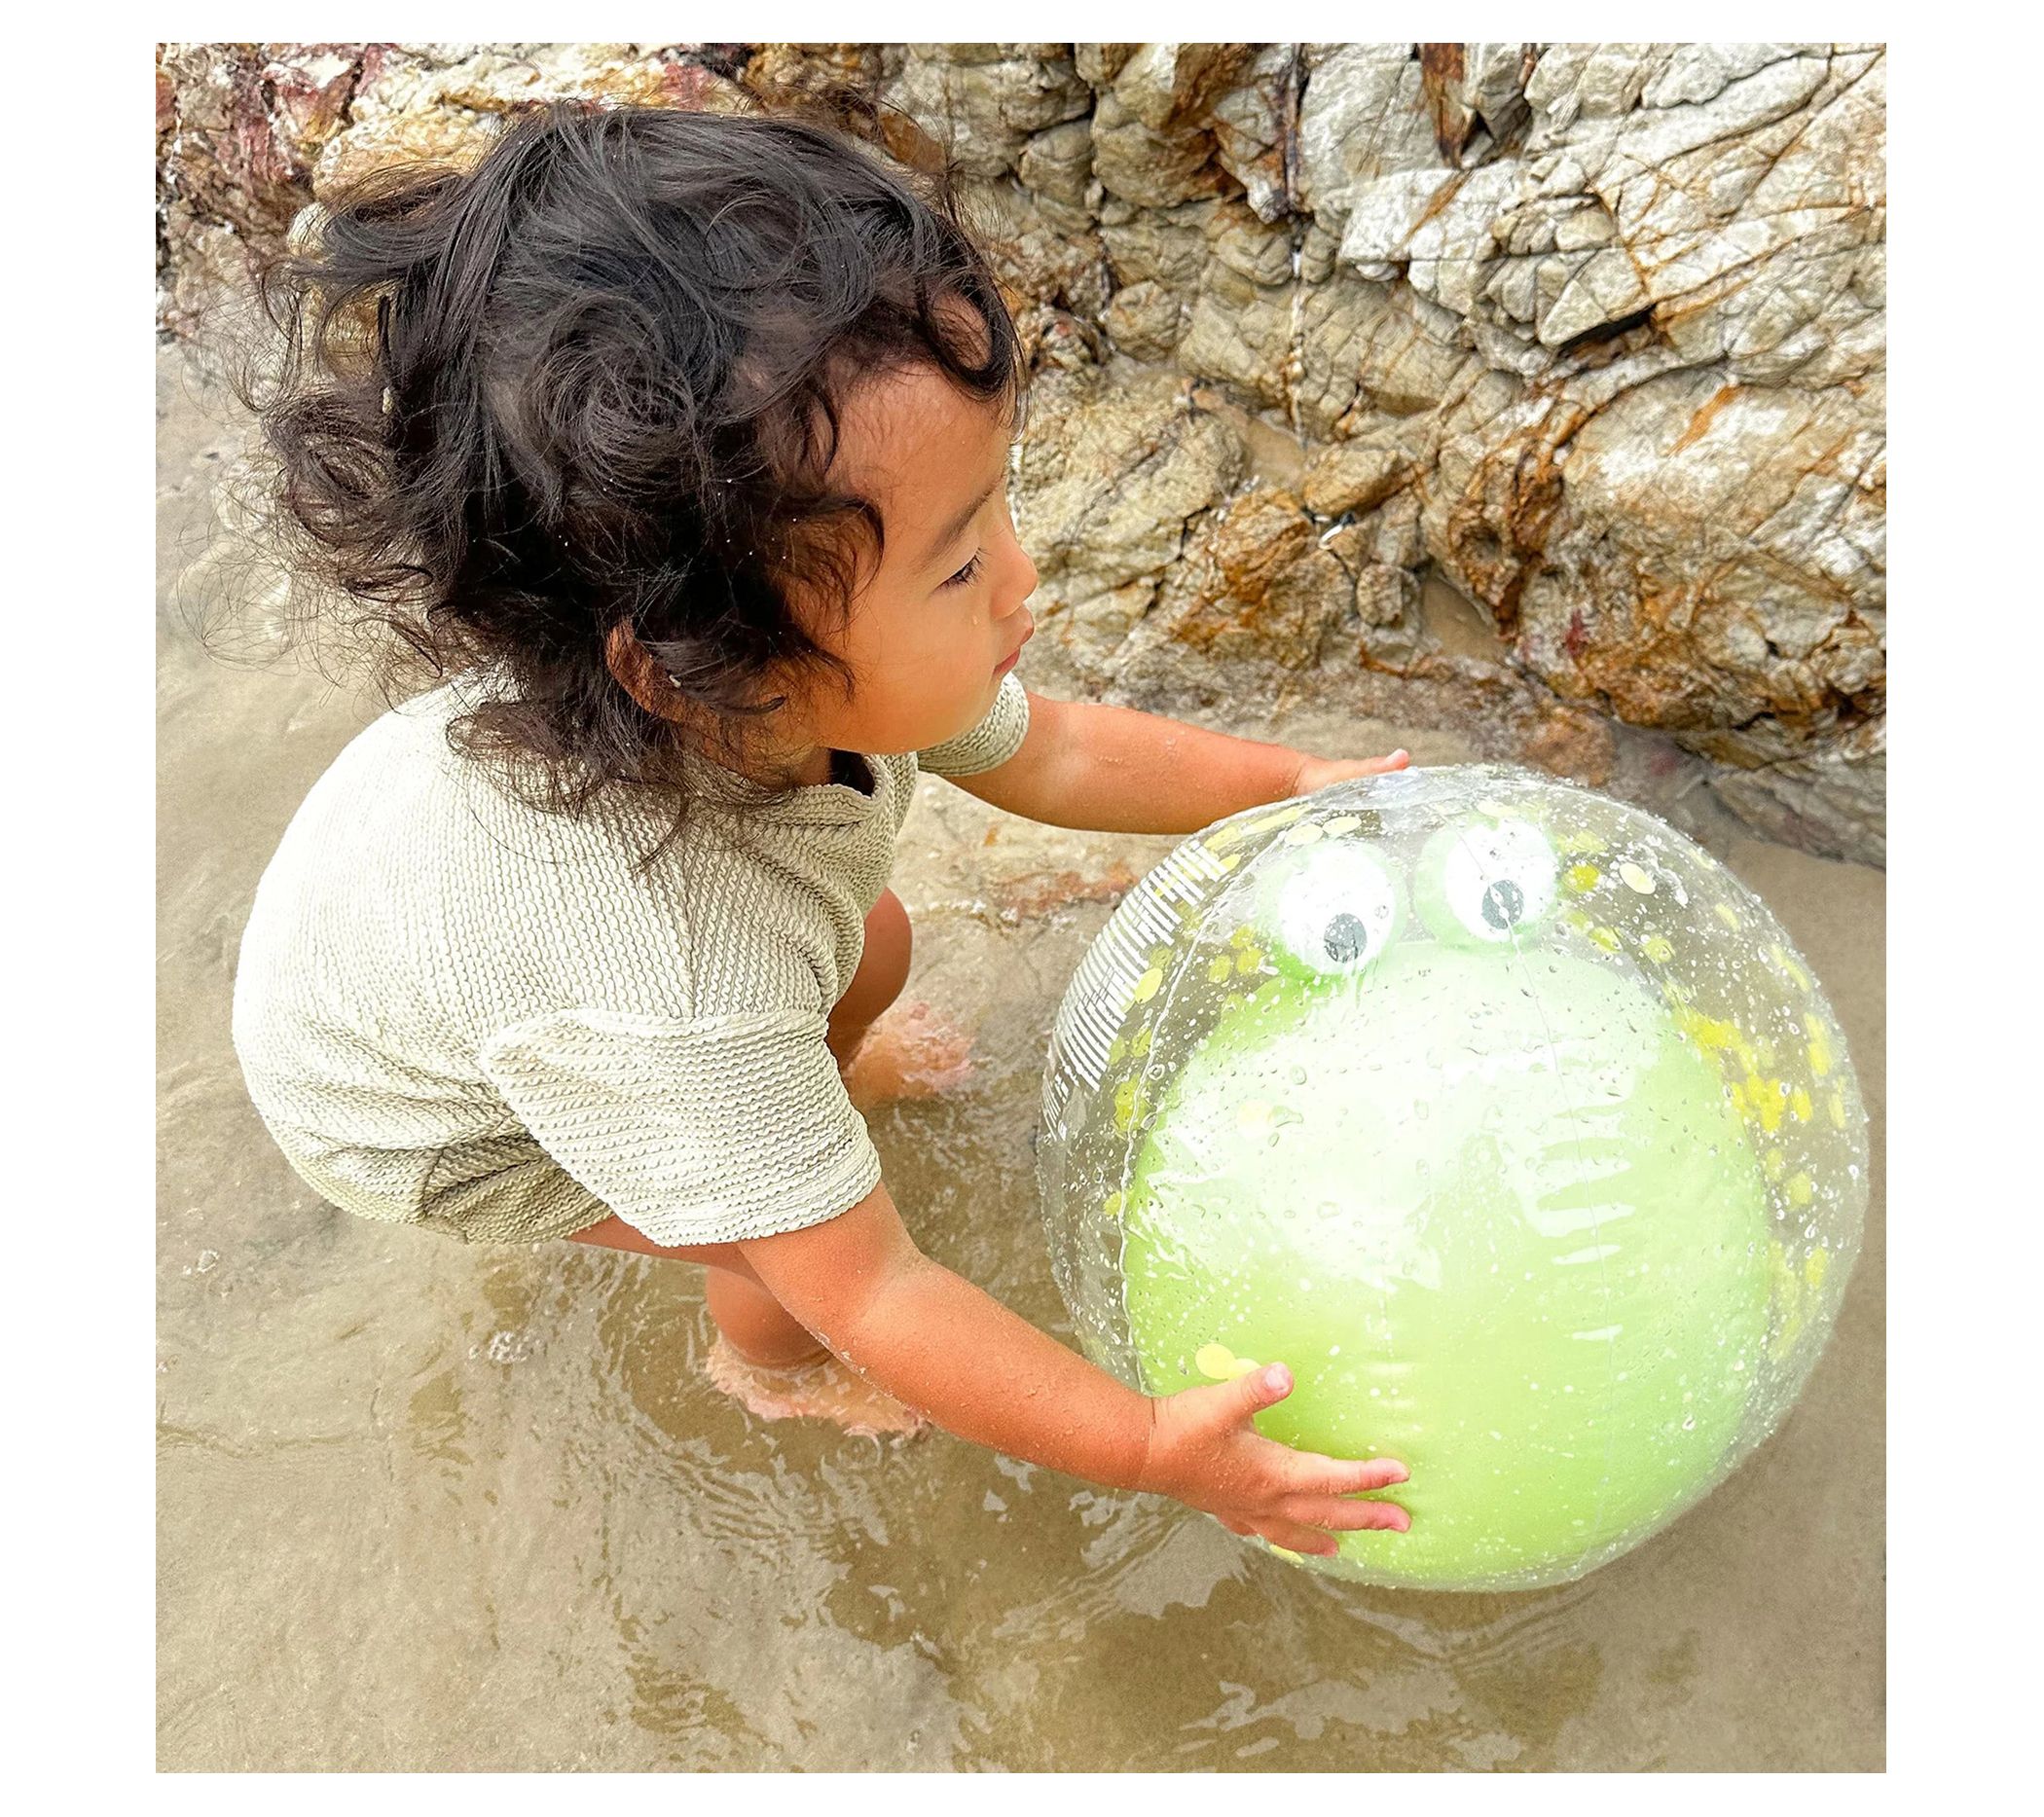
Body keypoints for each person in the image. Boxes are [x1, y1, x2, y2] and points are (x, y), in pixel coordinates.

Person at [230, 99, 1413, 1560]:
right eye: (961, 564)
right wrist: (1151, 1446)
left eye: (997, 512)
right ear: (706, 671)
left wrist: (1288, 785)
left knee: (879, 938)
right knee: (774, 1252)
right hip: (420, 1112)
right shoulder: (674, 985)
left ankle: (812, 1109)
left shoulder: (781, 674)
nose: (1024, 582)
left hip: (414, 923)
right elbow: (882, 1291)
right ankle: (766, 1377)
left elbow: (1057, 750)